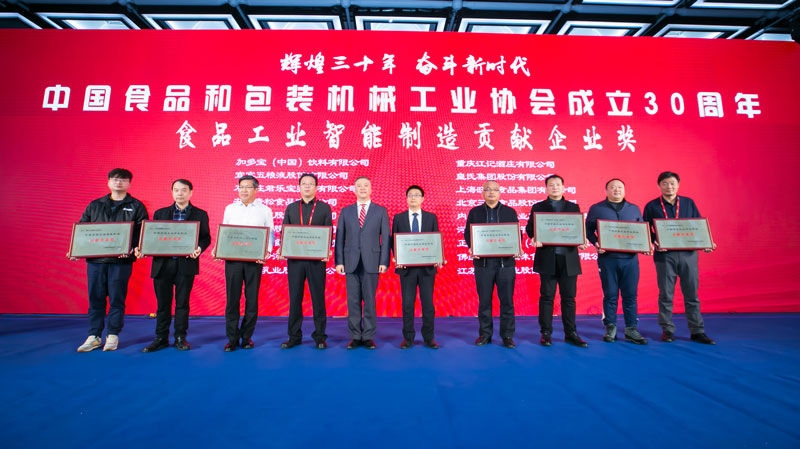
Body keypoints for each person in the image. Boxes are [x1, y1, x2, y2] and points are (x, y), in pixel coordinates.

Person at [73, 168, 148, 352]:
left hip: (121, 262)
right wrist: (76, 250)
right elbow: (83, 230)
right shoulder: (95, 205)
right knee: (95, 298)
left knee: (117, 298)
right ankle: (94, 335)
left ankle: (113, 335)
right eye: (115, 179)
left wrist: (132, 249)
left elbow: (143, 233)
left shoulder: (136, 206)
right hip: (96, 261)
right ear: (108, 182)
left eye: (123, 180)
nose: (118, 182)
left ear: (129, 183)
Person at [136, 179, 211, 352]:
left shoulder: (200, 214)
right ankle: (161, 337)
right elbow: (152, 237)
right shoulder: (160, 213)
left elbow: (205, 237)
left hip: (186, 264)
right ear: (172, 192)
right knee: (162, 304)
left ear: (191, 193)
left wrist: (199, 249)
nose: (180, 193)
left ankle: (180, 337)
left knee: (182, 304)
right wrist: (143, 249)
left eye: (183, 190)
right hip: (163, 265)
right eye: (176, 190)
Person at [643, 171, 716, 344]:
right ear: (659, 186)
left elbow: (698, 225)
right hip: (664, 255)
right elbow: (645, 229)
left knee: (691, 293)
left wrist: (706, 242)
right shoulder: (652, 206)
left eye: (672, 183)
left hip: (688, 254)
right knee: (666, 294)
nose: (669, 186)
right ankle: (667, 330)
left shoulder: (688, 203)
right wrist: (654, 242)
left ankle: (697, 331)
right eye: (665, 183)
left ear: (678, 185)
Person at [526, 174, 589, 348]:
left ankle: (571, 333)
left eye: (558, 184)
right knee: (547, 297)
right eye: (551, 185)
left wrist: (581, 240)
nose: (555, 187)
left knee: (569, 298)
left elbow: (578, 230)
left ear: (563, 187)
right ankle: (545, 333)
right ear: (546, 188)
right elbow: (530, 229)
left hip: (569, 259)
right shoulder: (538, 207)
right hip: (548, 257)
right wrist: (534, 238)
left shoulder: (573, 207)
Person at [585, 179, 648, 345]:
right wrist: (596, 243)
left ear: (624, 190)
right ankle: (610, 327)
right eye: (612, 187)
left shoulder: (634, 208)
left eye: (620, 187)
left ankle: (631, 328)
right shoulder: (596, 208)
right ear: (606, 191)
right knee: (610, 294)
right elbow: (588, 230)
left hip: (630, 260)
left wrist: (645, 245)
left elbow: (640, 231)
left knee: (630, 295)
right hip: (608, 259)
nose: (616, 190)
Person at [218, 175, 274, 352]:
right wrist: (220, 250)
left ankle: (247, 337)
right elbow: (225, 232)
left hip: (254, 261)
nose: (243, 190)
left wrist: (266, 253)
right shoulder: (230, 209)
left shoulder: (265, 210)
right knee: (232, 300)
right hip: (233, 261)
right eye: (241, 186)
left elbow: (270, 234)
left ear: (256, 190)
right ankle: (232, 338)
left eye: (248, 187)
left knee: (252, 300)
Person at [334, 176, 390, 350]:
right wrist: (339, 261)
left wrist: (384, 261)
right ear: (354, 190)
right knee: (353, 301)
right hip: (350, 261)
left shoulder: (380, 211)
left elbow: (386, 238)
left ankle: (368, 336)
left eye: (366, 185)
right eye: (359, 186)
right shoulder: (346, 211)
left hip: (372, 261)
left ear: (371, 189)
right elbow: (340, 238)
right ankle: (355, 336)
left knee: (370, 301)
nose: (363, 188)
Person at [279, 173, 333, 350]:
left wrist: (326, 250)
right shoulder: (291, 207)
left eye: (311, 184)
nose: (307, 186)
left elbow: (329, 231)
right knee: (295, 298)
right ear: (299, 187)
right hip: (295, 260)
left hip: (316, 260)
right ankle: (294, 336)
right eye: (304, 183)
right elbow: (284, 231)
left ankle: (320, 337)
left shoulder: (324, 208)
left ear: (316, 187)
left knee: (318, 298)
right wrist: (282, 248)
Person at [464, 180, 519, 349]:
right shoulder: (475, 212)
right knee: (484, 302)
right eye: (488, 189)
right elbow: (468, 234)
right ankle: (485, 334)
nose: (491, 192)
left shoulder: (510, 212)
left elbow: (517, 234)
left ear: (500, 192)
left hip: (505, 265)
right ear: (482, 193)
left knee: (507, 302)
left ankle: (507, 336)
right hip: (483, 265)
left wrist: (516, 247)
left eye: (495, 189)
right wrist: (473, 247)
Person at [391, 185, 442, 349]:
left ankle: (429, 338)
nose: (413, 197)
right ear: (406, 198)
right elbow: (394, 241)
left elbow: (435, 240)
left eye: (417, 195)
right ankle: (408, 338)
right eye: (410, 195)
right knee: (407, 305)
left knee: (428, 305)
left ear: (422, 199)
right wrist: (397, 257)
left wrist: (437, 257)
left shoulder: (431, 217)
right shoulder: (398, 218)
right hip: (407, 269)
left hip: (427, 268)